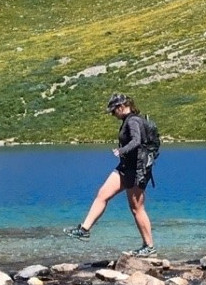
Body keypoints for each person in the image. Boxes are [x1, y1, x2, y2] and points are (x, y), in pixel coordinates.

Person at [66, 93, 158, 254]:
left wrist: (122, 150)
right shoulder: (127, 120)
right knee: (102, 194)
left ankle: (149, 247)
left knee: (137, 208)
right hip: (125, 167)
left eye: (113, 111)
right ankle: (84, 229)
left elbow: (136, 141)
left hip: (137, 170)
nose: (113, 115)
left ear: (121, 107)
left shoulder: (134, 121)